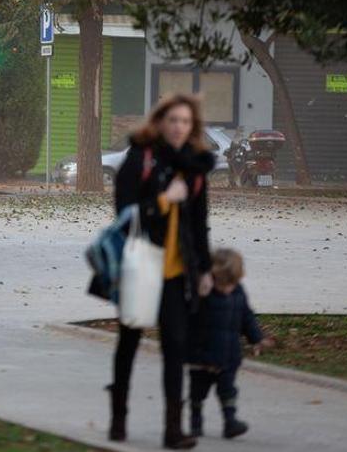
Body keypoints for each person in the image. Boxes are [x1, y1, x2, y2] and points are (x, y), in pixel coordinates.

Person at [108, 94, 216, 450]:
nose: (179, 127)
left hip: (175, 271)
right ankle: (118, 417)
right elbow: (124, 213)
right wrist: (163, 200)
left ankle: (174, 429)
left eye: (186, 122)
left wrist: (204, 270)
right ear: (160, 122)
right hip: (141, 265)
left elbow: (200, 226)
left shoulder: (195, 169)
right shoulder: (140, 158)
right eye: (173, 120)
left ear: (193, 127)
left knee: (176, 347)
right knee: (130, 342)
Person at [187, 248, 273, 440]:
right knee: (197, 392)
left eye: (232, 283)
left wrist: (256, 338)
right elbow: (189, 320)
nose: (228, 289)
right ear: (212, 277)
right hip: (202, 356)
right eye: (223, 284)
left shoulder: (238, 292)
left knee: (228, 390)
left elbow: (246, 317)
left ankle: (230, 422)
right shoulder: (202, 293)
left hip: (228, 355)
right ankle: (195, 422)